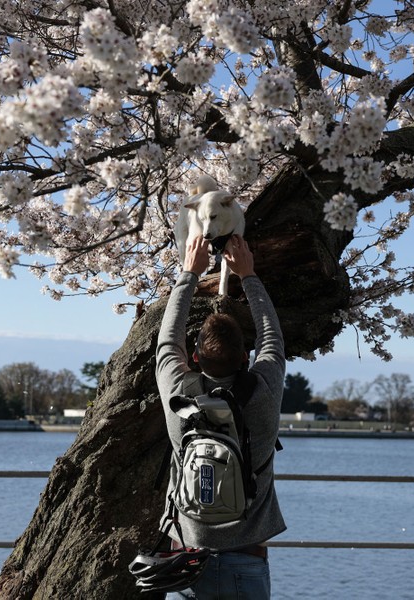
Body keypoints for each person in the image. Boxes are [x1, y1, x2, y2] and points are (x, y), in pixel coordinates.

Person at [155, 234, 287, 599]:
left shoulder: (179, 392)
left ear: (194, 357)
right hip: (247, 559)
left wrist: (189, 273)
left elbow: (167, 341)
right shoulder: (262, 391)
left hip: (185, 561)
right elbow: (272, 339)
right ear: (246, 358)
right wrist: (248, 275)